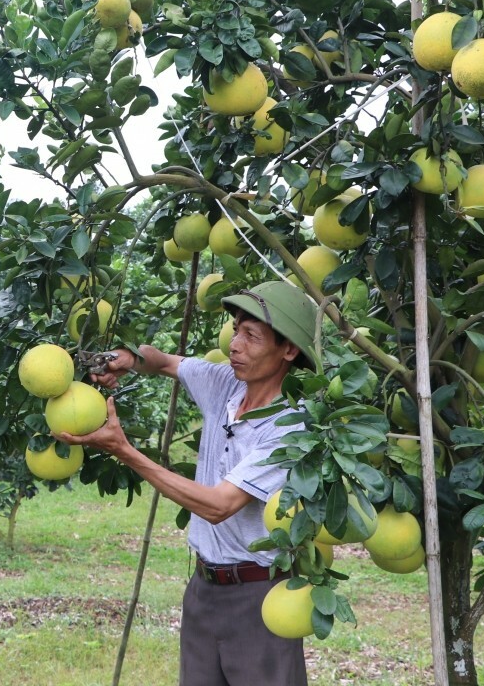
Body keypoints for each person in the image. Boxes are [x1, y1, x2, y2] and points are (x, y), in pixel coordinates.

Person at [54, 280, 320, 686]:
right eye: (235, 330)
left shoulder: (290, 427)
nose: (234, 344)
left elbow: (219, 506)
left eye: (251, 336)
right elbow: (166, 363)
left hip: (261, 598)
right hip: (203, 591)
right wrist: (127, 358)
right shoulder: (225, 385)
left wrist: (125, 451)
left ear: (288, 350)